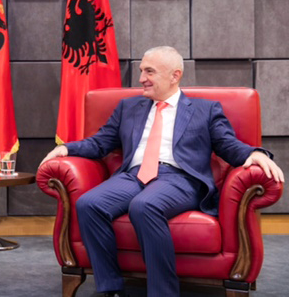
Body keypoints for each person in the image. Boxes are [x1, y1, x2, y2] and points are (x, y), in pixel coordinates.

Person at [40, 46, 284, 297]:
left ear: (174, 75)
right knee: (89, 204)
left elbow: (228, 145)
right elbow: (101, 142)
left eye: (149, 72)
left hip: (180, 178)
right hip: (134, 175)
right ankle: (110, 287)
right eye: (141, 71)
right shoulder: (128, 107)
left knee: (144, 206)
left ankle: (163, 292)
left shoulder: (205, 110)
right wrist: (66, 149)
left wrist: (255, 154)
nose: (141, 78)